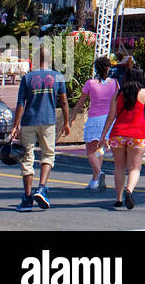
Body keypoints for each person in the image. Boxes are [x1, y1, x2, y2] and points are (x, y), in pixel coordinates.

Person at [8, 43, 70, 212]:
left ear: (35, 60)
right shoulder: (57, 76)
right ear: (50, 60)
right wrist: (66, 122)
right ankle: (41, 188)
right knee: (48, 155)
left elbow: (21, 103)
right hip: (48, 121)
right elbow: (64, 101)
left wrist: (15, 126)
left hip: (29, 121)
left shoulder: (27, 78)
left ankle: (27, 199)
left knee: (27, 159)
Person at [101, 67, 145, 210]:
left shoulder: (117, 94)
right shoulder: (144, 93)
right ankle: (129, 190)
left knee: (119, 167)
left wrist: (103, 136)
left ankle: (118, 198)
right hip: (137, 135)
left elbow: (111, 116)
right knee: (135, 167)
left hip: (118, 134)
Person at [73, 56, 118, 191]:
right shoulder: (115, 83)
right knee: (100, 149)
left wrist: (72, 115)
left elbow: (81, 102)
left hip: (95, 119)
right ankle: (94, 180)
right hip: (109, 119)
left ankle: (99, 174)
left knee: (90, 150)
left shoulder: (90, 83)